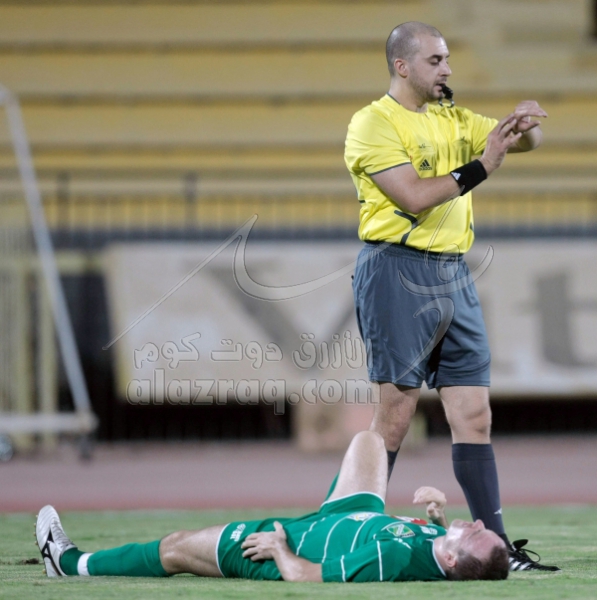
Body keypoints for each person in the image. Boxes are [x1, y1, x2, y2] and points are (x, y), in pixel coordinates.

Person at [345, 22, 558, 571]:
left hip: (453, 273)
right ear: (403, 66)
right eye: (436, 60)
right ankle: (348, 530)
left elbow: (524, 142)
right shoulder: (373, 122)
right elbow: (413, 197)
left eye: (447, 59)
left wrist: (524, 125)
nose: (447, 69)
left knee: (474, 414)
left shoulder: (453, 118)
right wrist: (482, 165)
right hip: (396, 269)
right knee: (395, 415)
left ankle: (500, 547)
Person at [35, 431, 508, 582]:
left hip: (293, 542)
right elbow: (429, 539)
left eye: (474, 533)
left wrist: (280, 548)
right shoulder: (438, 547)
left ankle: (71, 564)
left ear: (451, 560)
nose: (476, 522)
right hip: (341, 518)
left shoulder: (396, 558)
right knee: (370, 441)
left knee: (175, 548)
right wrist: (438, 518)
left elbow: (308, 577)